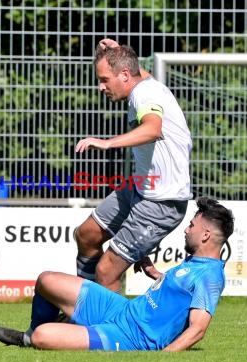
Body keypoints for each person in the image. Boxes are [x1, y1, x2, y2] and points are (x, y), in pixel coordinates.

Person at [0, 197, 234, 351]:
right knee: (47, 280)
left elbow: (198, 328)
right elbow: (177, 297)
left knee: (44, 337)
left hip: (132, 337)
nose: (186, 229)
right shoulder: (196, 262)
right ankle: (33, 334)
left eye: (192, 225)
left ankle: (33, 339)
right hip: (122, 310)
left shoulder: (210, 276)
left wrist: (165, 357)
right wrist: (154, 273)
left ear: (205, 236)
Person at [73, 39, 193, 292]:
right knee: (87, 235)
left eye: (105, 79)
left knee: (106, 272)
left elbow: (152, 128)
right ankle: (81, 308)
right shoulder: (142, 82)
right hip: (140, 188)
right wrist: (117, 52)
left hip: (162, 202)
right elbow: (135, 69)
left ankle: (107, 330)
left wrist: (106, 143)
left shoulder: (144, 94)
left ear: (125, 75)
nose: (101, 86)